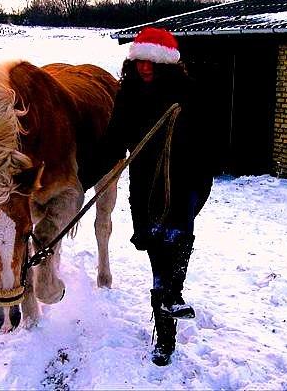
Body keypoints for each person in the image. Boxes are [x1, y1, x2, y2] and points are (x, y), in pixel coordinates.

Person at [88, 27, 214, 366]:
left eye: (151, 62)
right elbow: (114, 139)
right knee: (154, 245)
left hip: (185, 177)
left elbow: (207, 135)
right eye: (140, 61)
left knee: (176, 237)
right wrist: (88, 175)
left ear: (166, 64)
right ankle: (168, 301)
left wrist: (177, 128)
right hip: (144, 183)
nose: (145, 68)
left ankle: (168, 326)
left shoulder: (186, 92)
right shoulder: (127, 93)